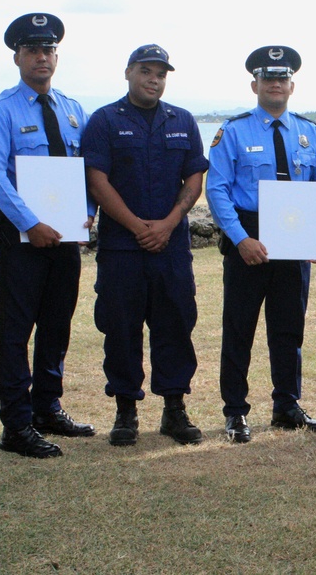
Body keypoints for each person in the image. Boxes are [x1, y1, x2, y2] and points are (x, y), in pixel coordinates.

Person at [0, 13, 96, 458]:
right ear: (17, 57)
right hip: (22, 237)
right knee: (15, 330)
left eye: (48, 50)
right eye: (32, 50)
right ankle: (16, 423)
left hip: (65, 237)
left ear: (56, 56)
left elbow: (88, 169)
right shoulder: (0, 110)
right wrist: (31, 223)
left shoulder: (72, 109)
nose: (41, 57)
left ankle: (47, 407)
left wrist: (86, 214)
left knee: (56, 324)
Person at [205, 45, 316, 444]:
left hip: (297, 235)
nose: (275, 84)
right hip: (251, 236)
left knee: (289, 327)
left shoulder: (310, 132)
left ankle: (287, 405)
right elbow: (218, 188)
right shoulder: (235, 130)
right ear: (255, 84)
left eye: (282, 78)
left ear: (291, 85)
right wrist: (240, 239)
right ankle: (235, 411)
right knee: (239, 328)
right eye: (268, 78)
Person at [82, 45, 208, 447]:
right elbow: (97, 181)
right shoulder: (104, 121)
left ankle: (174, 410)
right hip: (123, 247)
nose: (153, 79)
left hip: (170, 246)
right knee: (121, 327)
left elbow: (193, 179)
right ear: (128, 73)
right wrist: (138, 226)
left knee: (175, 324)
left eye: (160, 73)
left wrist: (168, 224)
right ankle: (125, 411)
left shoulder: (183, 121)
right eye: (145, 71)